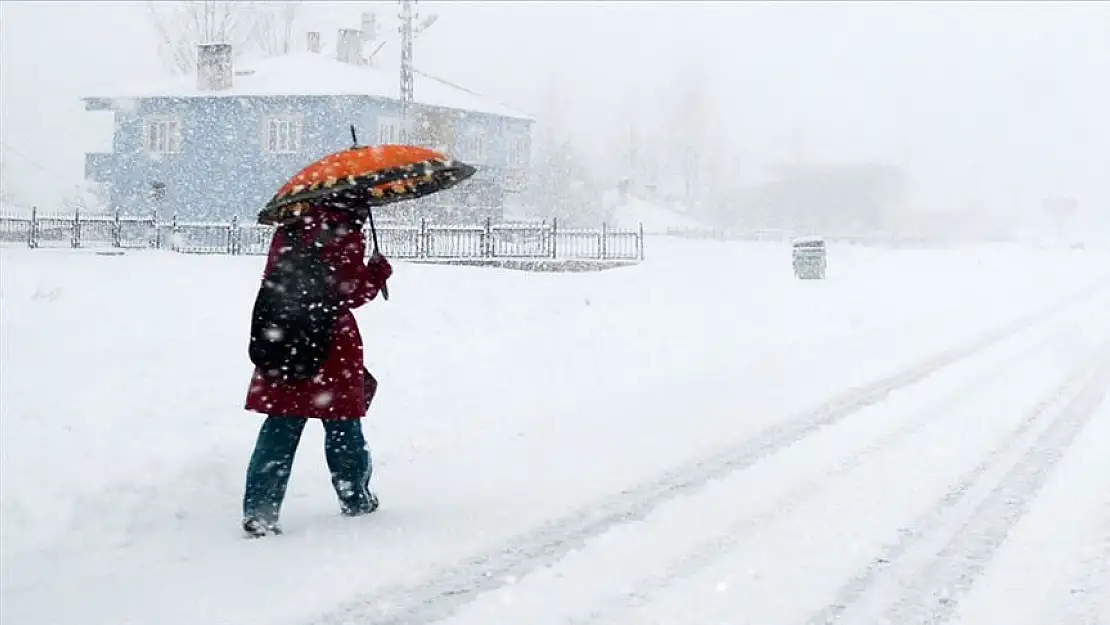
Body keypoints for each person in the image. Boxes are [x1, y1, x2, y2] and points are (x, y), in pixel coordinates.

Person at [241, 203, 392, 538]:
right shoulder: (345, 232)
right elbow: (350, 293)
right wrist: (377, 273)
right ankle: (356, 497)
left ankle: (260, 510)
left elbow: (273, 278)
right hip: (330, 342)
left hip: (287, 335)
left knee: (280, 426)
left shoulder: (290, 227)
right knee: (343, 425)